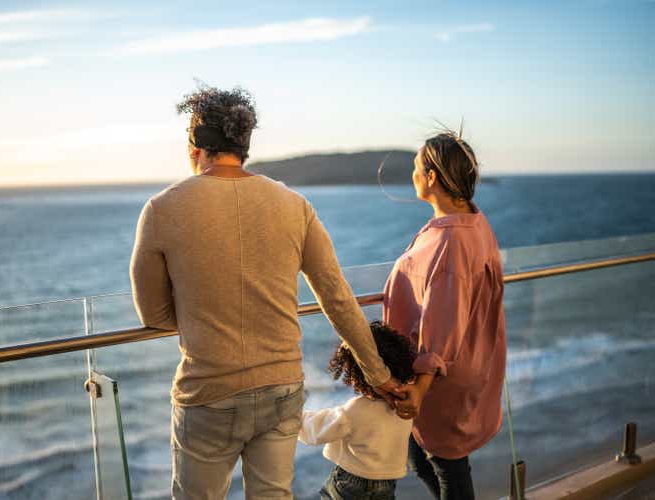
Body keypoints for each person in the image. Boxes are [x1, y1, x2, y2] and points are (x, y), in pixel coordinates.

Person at [129, 85, 404, 500]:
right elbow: (337, 298)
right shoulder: (295, 205)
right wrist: (378, 374)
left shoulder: (162, 209)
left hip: (208, 392)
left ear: (194, 147)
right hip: (281, 387)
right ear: (244, 145)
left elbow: (152, 313)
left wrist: (202, 315)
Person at [383, 129, 507, 500]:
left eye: (416, 168)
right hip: (464, 363)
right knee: (430, 460)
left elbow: (444, 319)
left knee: (445, 467)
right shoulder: (473, 221)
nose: (413, 175)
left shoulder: (452, 239)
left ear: (432, 177)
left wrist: (419, 387)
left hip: (440, 378)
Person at [298, 321, 417, 500]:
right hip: (387, 482)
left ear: (357, 374)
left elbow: (316, 431)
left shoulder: (357, 409)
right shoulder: (405, 404)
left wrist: (292, 417)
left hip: (352, 481)